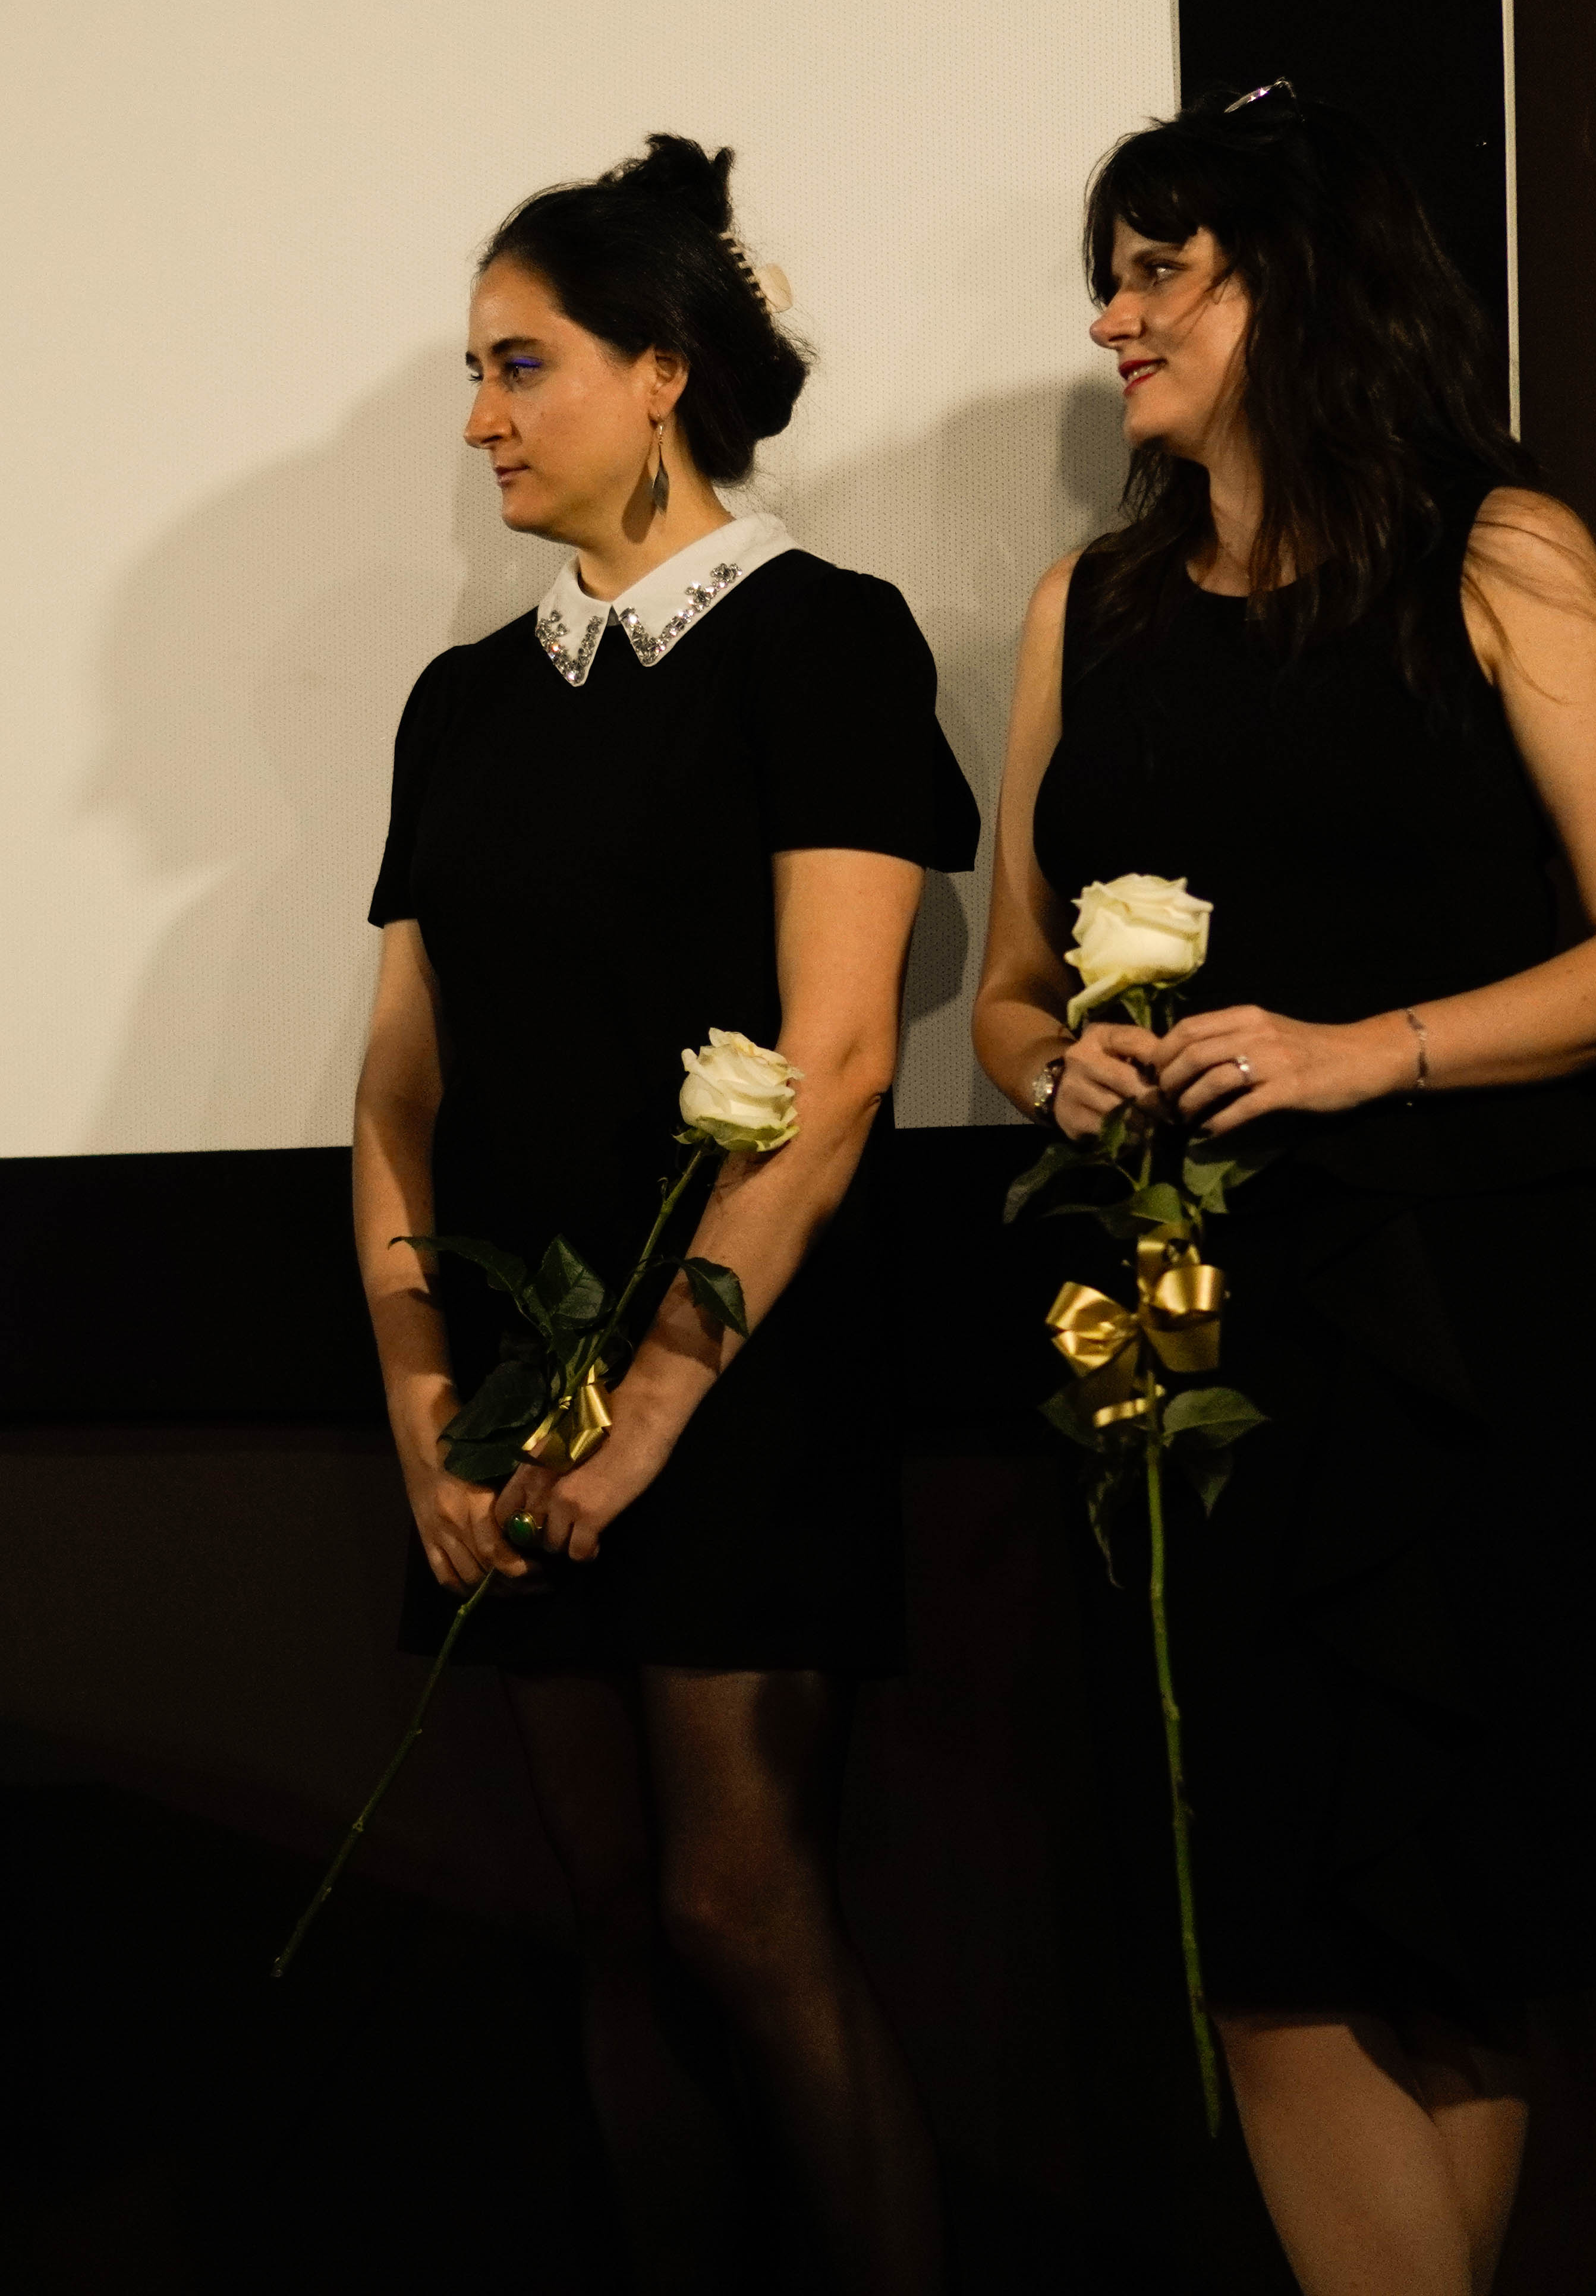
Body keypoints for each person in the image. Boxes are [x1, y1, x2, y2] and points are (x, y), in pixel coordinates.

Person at [970, 87, 1596, 2295]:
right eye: (1106, 279)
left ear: (1297, 280)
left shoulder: (1503, 553)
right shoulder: (1091, 607)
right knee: (1264, 1923)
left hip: (1476, 1330)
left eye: (1157, 272)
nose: (1112, 321)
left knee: (1462, 1932)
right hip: (1197, 1343)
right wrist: (1055, 1066)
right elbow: (1008, 992)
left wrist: (1354, 1052)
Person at [352, 137, 978, 2293]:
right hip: (515, 1389)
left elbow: (844, 1059)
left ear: (664, 371)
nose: (481, 417)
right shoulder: (462, 701)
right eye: (474, 371)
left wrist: (646, 1417)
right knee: (609, 1911)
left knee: (739, 1902)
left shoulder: (822, 641)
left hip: (738, 1373)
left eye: (519, 364)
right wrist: (430, 1413)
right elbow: (398, 1093)